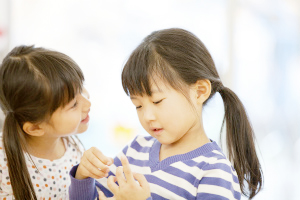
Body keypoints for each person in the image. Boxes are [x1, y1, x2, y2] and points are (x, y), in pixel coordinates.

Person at [69, 28, 263, 200]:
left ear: (200, 91)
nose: (147, 116)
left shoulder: (213, 171)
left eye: (157, 101)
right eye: (138, 106)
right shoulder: (135, 150)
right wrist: (83, 177)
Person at [0, 45, 92, 200]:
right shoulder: (4, 164)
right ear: (35, 127)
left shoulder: (70, 143)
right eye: (74, 104)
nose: (88, 104)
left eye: (81, 89)